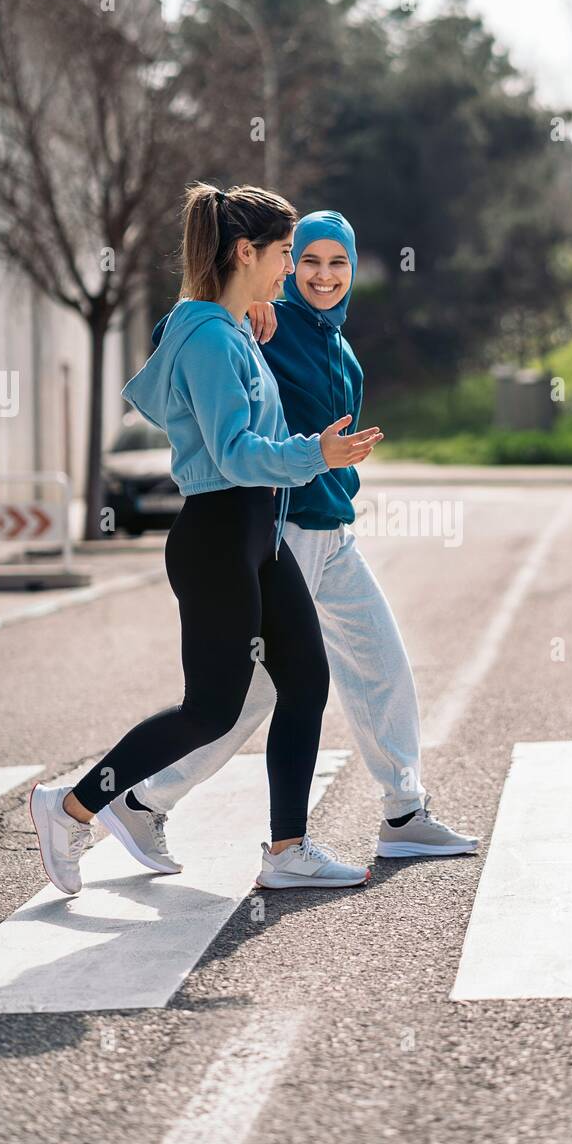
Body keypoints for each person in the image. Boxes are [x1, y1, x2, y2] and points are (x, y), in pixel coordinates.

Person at [30, 185, 383, 897]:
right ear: (246, 253)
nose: (290, 272)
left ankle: (288, 849)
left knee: (306, 680)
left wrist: (312, 446)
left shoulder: (225, 328)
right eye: (286, 255)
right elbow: (233, 453)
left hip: (260, 536)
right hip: (219, 536)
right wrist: (318, 455)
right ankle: (70, 807)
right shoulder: (210, 338)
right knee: (211, 709)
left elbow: (238, 403)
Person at [116, 210, 478, 870]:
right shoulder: (262, 325)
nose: (322, 275)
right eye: (307, 260)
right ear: (287, 265)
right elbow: (181, 329)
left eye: (337, 263)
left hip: (336, 533)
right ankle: (139, 801)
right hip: (287, 533)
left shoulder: (344, 353)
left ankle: (403, 812)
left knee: (382, 664)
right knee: (256, 695)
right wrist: (246, 314)